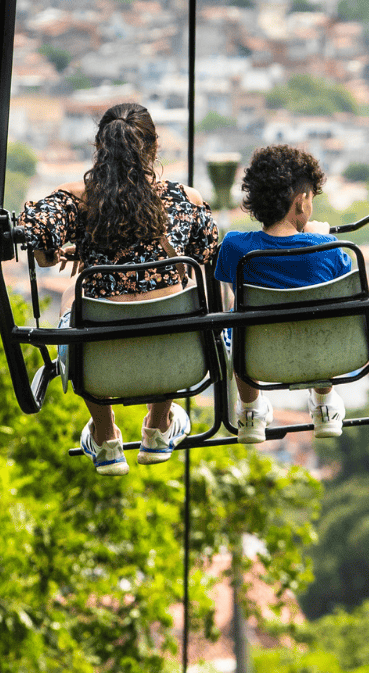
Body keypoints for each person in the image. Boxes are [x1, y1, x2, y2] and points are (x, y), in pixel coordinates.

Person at [14, 102, 218, 475]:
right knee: (177, 289)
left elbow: (37, 237)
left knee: (74, 291)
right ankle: (159, 426)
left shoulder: (78, 198)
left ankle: (106, 439)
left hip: (100, 361)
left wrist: (60, 253)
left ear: (100, 149)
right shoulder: (186, 200)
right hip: (173, 353)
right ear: (153, 150)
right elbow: (208, 253)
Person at [213, 144, 350, 443]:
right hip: (317, 352)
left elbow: (223, 277)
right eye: (311, 198)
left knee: (234, 320)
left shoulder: (235, 246)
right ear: (301, 202)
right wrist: (320, 238)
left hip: (257, 358)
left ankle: (250, 411)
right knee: (327, 313)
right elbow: (344, 282)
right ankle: (324, 405)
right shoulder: (329, 250)